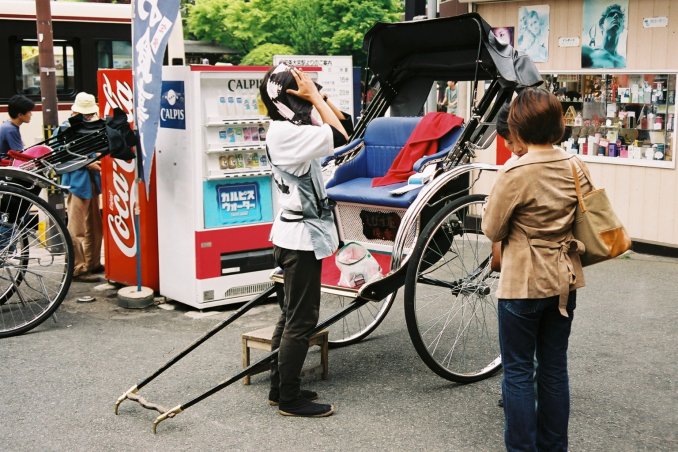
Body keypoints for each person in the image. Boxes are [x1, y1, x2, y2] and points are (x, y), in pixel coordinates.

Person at [482, 87, 592, 451]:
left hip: (522, 284)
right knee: (554, 368)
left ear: (518, 127)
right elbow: (586, 217)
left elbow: (493, 229)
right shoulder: (575, 165)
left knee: (517, 372)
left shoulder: (516, 171)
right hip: (564, 281)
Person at [259, 63, 352, 417]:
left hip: (290, 234)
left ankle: (278, 387)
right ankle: (289, 398)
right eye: (302, 94)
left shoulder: (284, 128)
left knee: (289, 315)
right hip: (299, 241)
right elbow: (342, 138)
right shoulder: (288, 134)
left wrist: (318, 96)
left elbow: (345, 123)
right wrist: (313, 96)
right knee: (301, 320)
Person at [59, 92, 104, 283]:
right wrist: (88, 163)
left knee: (95, 225)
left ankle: (93, 262)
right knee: (76, 228)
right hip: (77, 182)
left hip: (92, 182)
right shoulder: (65, 129)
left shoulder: (88, 126)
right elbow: (62, 155)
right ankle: (77, 267)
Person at [582, 4, 626, 68]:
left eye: (620, 16)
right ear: (602, 26)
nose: (616, 16)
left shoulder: (623, 61)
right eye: (611, 14)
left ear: (622, 28)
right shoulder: (588, 53)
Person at [0, 95, 35, 159]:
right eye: (29, 112)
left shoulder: (7, 125)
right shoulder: (11, 129)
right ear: (20, 115)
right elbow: (19, 154)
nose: (31, 114)